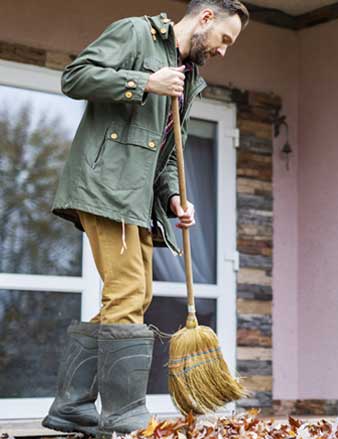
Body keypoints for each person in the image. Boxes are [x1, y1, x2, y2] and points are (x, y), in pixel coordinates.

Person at [42, 1, 248, 436]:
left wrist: (174, 197)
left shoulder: (188, 78)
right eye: (225, 40)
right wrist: (143, 81)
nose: (224, 51)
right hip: (105, 186)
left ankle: (72, 406)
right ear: (206, 18)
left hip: (137, 199)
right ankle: (122, 412)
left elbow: (169, 153)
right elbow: (74, 77)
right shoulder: (137, 34)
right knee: (128, 290)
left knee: (134, 295)